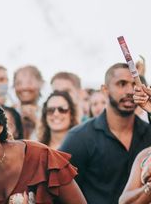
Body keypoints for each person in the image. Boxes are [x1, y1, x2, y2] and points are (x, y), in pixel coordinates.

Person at [59, 63, 151, 204]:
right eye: (122, 84)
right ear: (105, 90)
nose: (130, 91)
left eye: (135, 84)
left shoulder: (149, 133)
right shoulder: (79, 137)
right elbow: (60, 190)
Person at [13, 65, 44, 139]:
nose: (24, 87)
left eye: (29, 83)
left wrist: (36, 121)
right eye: (19, 83)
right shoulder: (6, 113)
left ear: (41, 84)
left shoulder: (51, 114)